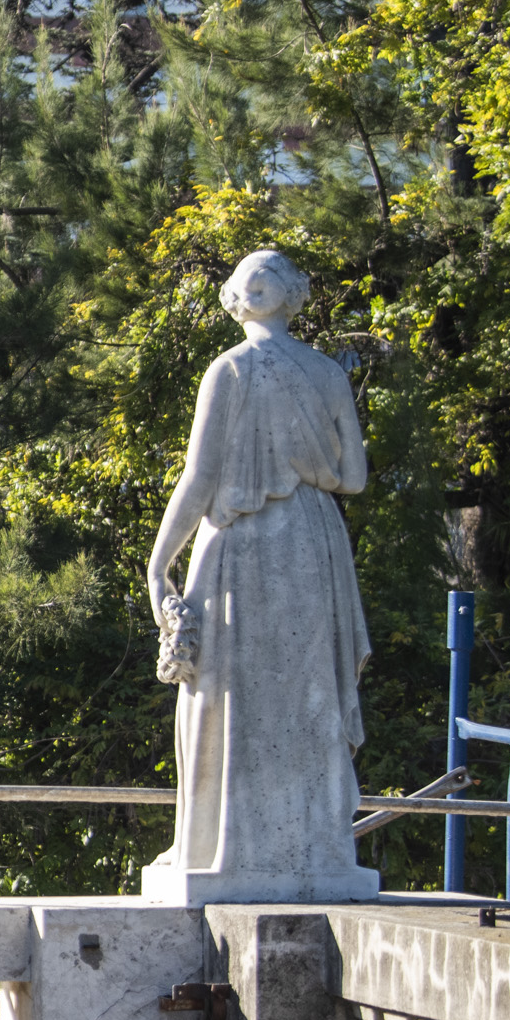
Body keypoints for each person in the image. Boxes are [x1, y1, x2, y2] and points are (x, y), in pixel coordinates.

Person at [140, 249, 380, 904]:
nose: (256, 278)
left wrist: (157, 560)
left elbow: (200, 476)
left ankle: (223, 845)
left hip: (242, 547)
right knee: (299, 693)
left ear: (250, 299)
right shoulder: (326, 372)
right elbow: (353, 478)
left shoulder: (229, 370)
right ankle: (305, 845)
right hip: (309, 538)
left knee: (227, 691)